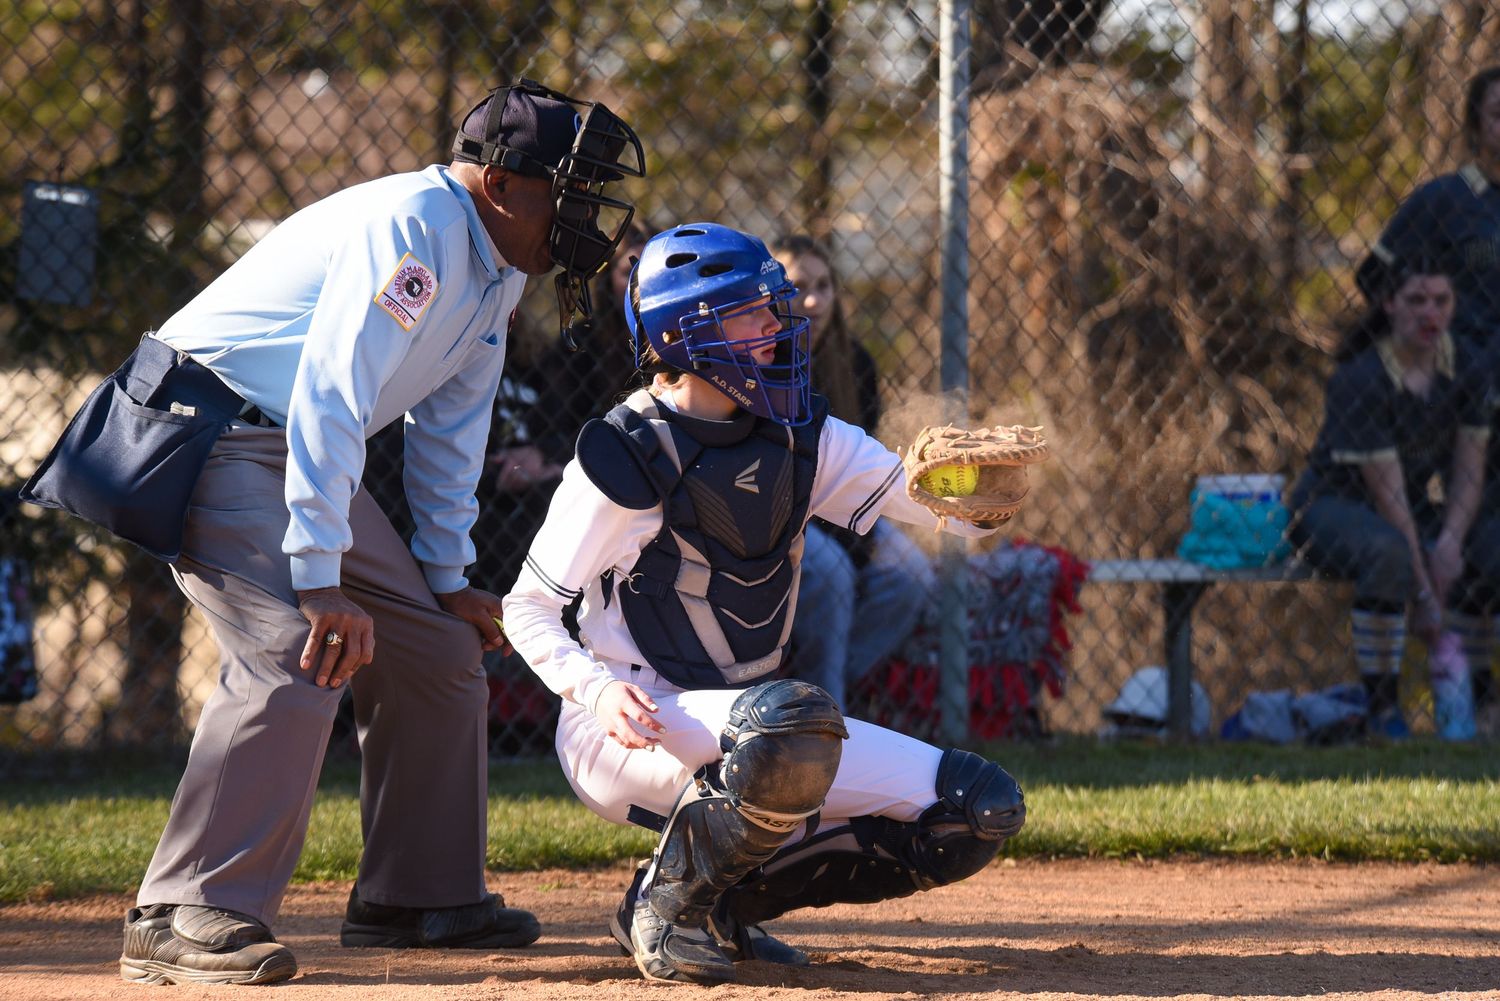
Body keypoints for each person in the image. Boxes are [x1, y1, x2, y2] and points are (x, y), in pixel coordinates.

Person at [24, 80, 644, 985]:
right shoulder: (418, 227)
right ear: (504, 184)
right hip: (200, 431)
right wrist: (318, 580)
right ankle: (183, 907)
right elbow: (331, 395)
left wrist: (443, 576)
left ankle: (416, 893)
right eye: (572, 193)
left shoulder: (498, 262)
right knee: (299, 642)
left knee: (437, 646)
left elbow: (447, 430)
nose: (589, 217)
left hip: (286, 448)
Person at [501, 223, 1027, 985]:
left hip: (759, 728)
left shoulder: (799, 432)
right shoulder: (628, 453)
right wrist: (596, 687)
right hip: (627, 723)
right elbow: (527, 608)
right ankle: (667, 908)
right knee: (792, 726)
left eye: (773, 309)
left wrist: (968, 495)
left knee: (975, 810)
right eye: (752, 314)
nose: (778, 328)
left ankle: (717, 907)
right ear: (685, 333)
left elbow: (914, 496)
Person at [1288, 258, 1496, 737]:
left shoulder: (1467, 367)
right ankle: (1383, 714)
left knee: (1483, 544)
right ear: (1388, 304)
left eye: (1441, 301)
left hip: (1410, 506)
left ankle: (1482, 706)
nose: (1430, 314)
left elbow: (1469, 469)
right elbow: (1389, 495)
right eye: (1416, 301)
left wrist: (1449, 544)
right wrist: (1423, 593)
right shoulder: (1360, 379)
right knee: (1389, 552)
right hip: (1332, 504)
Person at [1360, 67, 1500, 729]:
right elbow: (1375, 274)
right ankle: (1472, 695)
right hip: (1463, 414)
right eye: (1498, 112)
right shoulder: (1447, 201)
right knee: (1463, 543)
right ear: (1477, 123)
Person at [773, 234, 935, 710]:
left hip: (845, 509)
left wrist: (861, 532)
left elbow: (863, 467)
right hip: (785, 515)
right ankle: (824, 722)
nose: (813, 300)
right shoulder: (759, 365)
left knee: (913, 576)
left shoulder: (855, 362)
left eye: (824, 285)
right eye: (798, 286)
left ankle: (816, 699)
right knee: (834, 575)